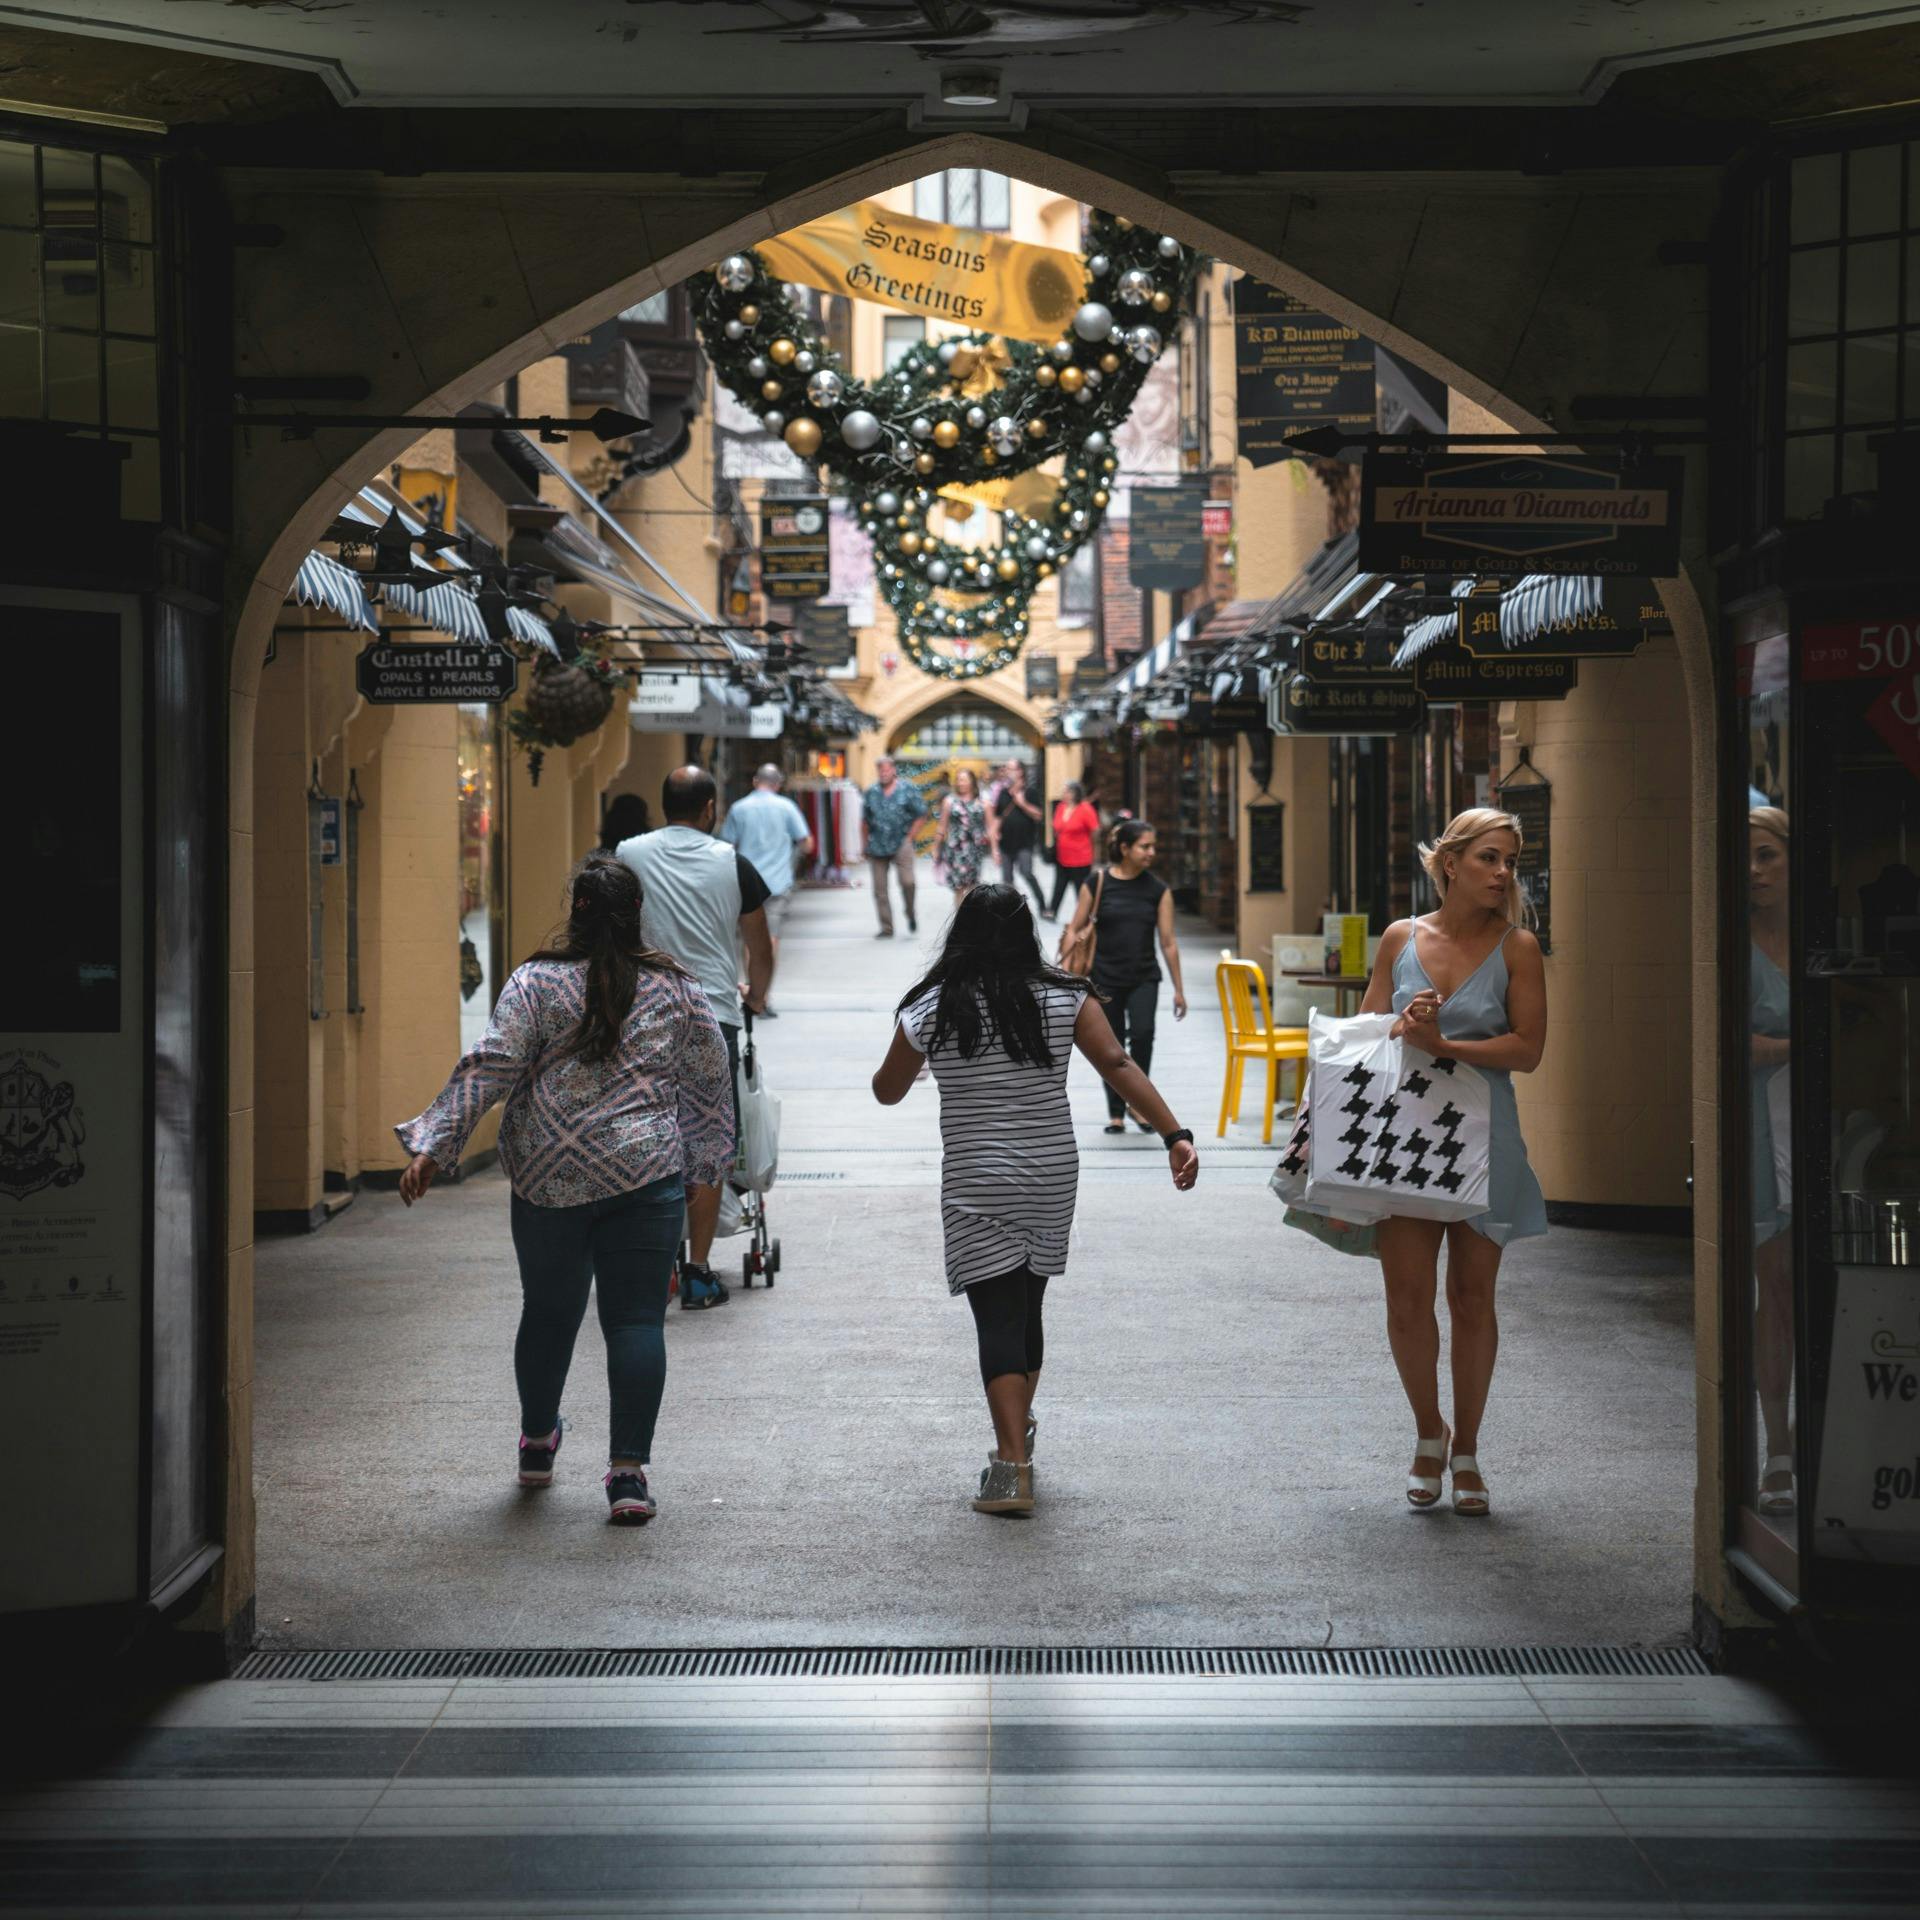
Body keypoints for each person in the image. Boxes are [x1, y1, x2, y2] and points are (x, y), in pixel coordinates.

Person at [395, 853, 734, 1527]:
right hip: (644, 1173)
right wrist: (704, 1160)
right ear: (638, 914)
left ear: (573, 913)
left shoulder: (534, 983)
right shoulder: (677, 989)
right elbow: (710, 1078)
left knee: (549, 1312)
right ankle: (629, 1476)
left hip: (549, 1175)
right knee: (635, 1321)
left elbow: (492, 1064)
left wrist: (438, 1144)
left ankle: (538, 1445)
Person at [869, 884, 1199, 1516]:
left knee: (997, 1317)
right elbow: (1118, 1065)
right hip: (1049, 1175)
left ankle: (1012, 1463)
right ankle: (1017, 1432)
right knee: (1027, 1303)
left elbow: (887, 1091)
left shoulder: (932, 1006)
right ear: (1027, 936)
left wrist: (918, 1055)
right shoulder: (1065, 998)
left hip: (975, 1181)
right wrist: (1174, 1135)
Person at [1356, 806, 1549, 1518]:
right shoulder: (1401, 937)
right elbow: (1369, 1033)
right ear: (1450, 864)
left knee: (1472, 1299)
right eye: (1489, 859)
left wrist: (1448, 1047)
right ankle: (1425, 1435)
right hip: (1407, 1135)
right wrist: (1400, 1027)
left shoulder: (1518, 947)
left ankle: (1467, 1445)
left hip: (1485, 1135)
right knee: (1407, 1302)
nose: (1502, 875)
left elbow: (1528, 1050)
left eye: (1509, 863)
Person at [616, 766, 774, 1311]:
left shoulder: (628, 854)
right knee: (707, 1144)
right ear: (710, 807)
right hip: (713, 1017)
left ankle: (655, 1267)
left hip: (642, 1016)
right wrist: (756, 995)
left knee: (644, 1133)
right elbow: (760, 944)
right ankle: (699, 1270)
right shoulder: (733, 862)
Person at [1061, 818, 1188, 1133]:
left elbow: (1168, 942)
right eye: (1145, 846)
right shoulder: (1097, 882)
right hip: (1103, 977)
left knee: (1143, 1035)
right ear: (1124, 848)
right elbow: (1075, 927)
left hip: (1144, 976)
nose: (1151, 852)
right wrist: (1066, 976)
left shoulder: (1158, 890)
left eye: (1153, 846)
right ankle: (1116, 1111)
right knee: (1111, 1046)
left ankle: (1139, 1104)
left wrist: (1179, 989)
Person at [1748, 806, 1795, 1518]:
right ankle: (1777, 1445)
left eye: (1766, 856)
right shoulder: (1731, 943)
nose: (1753, 872)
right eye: (1744, 861)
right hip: (1757, 1128)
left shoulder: (1823, 933)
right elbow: (1733, 1038)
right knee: (1775, 1287)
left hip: (1830, 1120)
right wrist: (1806, 1040)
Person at [719, 763, 815, 1012]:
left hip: (745, 882)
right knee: (769, 937)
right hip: (777, 882)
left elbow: (726, 846)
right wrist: (791, 860)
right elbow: (807, 843)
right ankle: (763, 996)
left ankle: (752, 989)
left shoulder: (738, 809)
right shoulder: (787, 807)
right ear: (778, 784)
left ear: (754, 781)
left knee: (749, 937)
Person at [862, 754, 926, 938]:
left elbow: (921, 814)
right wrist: (864, 844)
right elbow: (864, 821)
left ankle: (910, 911)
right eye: (880, 769)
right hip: (877, 845)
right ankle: (886, 927)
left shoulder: (908, 789)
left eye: (886, 769)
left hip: (901, 842)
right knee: (879, 889)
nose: (883, 772)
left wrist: (910, 837)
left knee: (908, 881)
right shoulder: (871, 792)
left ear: (893, 770)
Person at [992, 760, 1049, 917]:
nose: (1008, 772)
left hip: (1024, 842)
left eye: (1011, 768)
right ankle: (1010, 911)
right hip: (1005, 843)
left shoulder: (1030, 792)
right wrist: (994, 845)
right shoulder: (1003, 793)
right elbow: (997, 818)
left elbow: (1039, 815)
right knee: (1007, 880)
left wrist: (1022, 803)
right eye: (1007, 768)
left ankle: (1042, 904)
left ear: (1020, 771)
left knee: (1027, 872)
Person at [935, 766, 995, 899]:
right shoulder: (949, 801)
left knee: (973, 885)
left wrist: (995, 849)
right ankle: (959, 915)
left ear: (972, 782)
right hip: (955, 848)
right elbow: (942, 826)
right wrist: (936, 848)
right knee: (958, 886)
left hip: (974, 849)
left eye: (963, 779)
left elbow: (991, 827)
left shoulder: (983, 802)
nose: (960, 783)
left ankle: (969, 914)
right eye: (958, 780)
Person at [1047, 782, 1099, 919]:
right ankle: (1052, 910)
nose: (1063, 794)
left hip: (1080, 857)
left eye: (1066, 791)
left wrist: (1094, 851)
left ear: (1074, 793)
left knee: (1081, 889)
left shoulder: (1085, 808)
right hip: (1062, 855)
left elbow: (1095, 830)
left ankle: (1085, 915)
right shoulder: (1060, 807)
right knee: (1059, 885)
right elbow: (1056, 826)